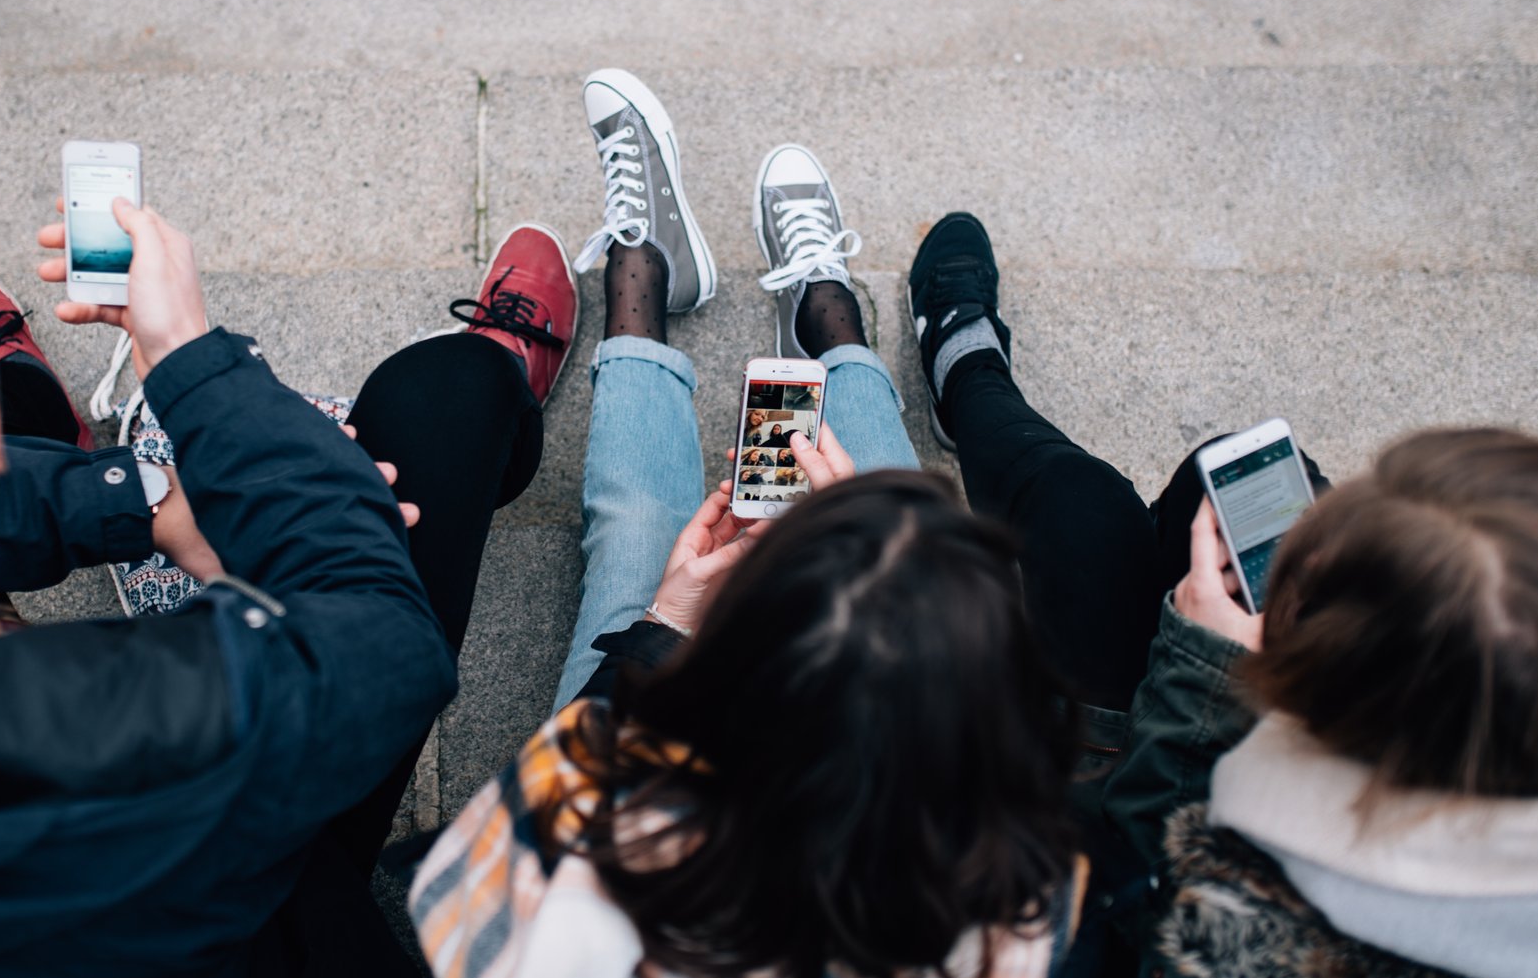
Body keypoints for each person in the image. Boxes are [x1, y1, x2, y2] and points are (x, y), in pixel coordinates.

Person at [0, 105, 575, 978]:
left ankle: (30, 397)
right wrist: (192, 363)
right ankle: (491, 380)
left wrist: (139, 501)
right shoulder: (140, 732)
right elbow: (385, 637)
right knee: (446, 396)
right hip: (261, 919)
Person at [409, 72, 1085, 978]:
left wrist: (662, 630)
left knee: (641, 535)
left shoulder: (565, 878)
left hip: (649, 723)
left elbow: (470, 882)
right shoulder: (1028, 914)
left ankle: (642, 273)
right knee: (872, 495)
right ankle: (822, 311)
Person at [900, 211, 1538, 976]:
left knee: (1077, 507)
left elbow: (1137, 902)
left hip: (1125, 802)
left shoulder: (1259, 946)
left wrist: (1202, 678)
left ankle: (970, 372)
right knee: (1226, 475)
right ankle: (968, 376)